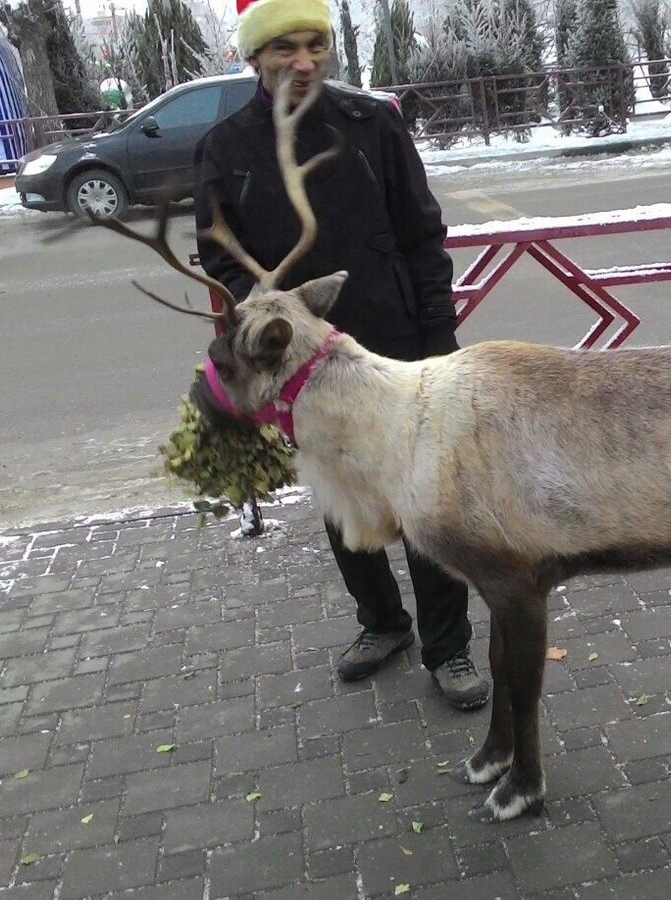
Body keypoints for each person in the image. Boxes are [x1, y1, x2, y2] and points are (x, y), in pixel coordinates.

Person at [193, 0, 489, 711]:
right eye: (286, 47)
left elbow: (423, 236)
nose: (304, 60)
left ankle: (448, 648)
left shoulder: (373, 124)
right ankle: (382, 622)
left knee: (426, 504)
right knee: (338, 503)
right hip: (297, 366)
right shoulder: (225, 147)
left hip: (395, 350)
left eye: (315, 44)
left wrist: (437, 340)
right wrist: (265, 312)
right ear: (255, 56)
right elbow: (217, 257)